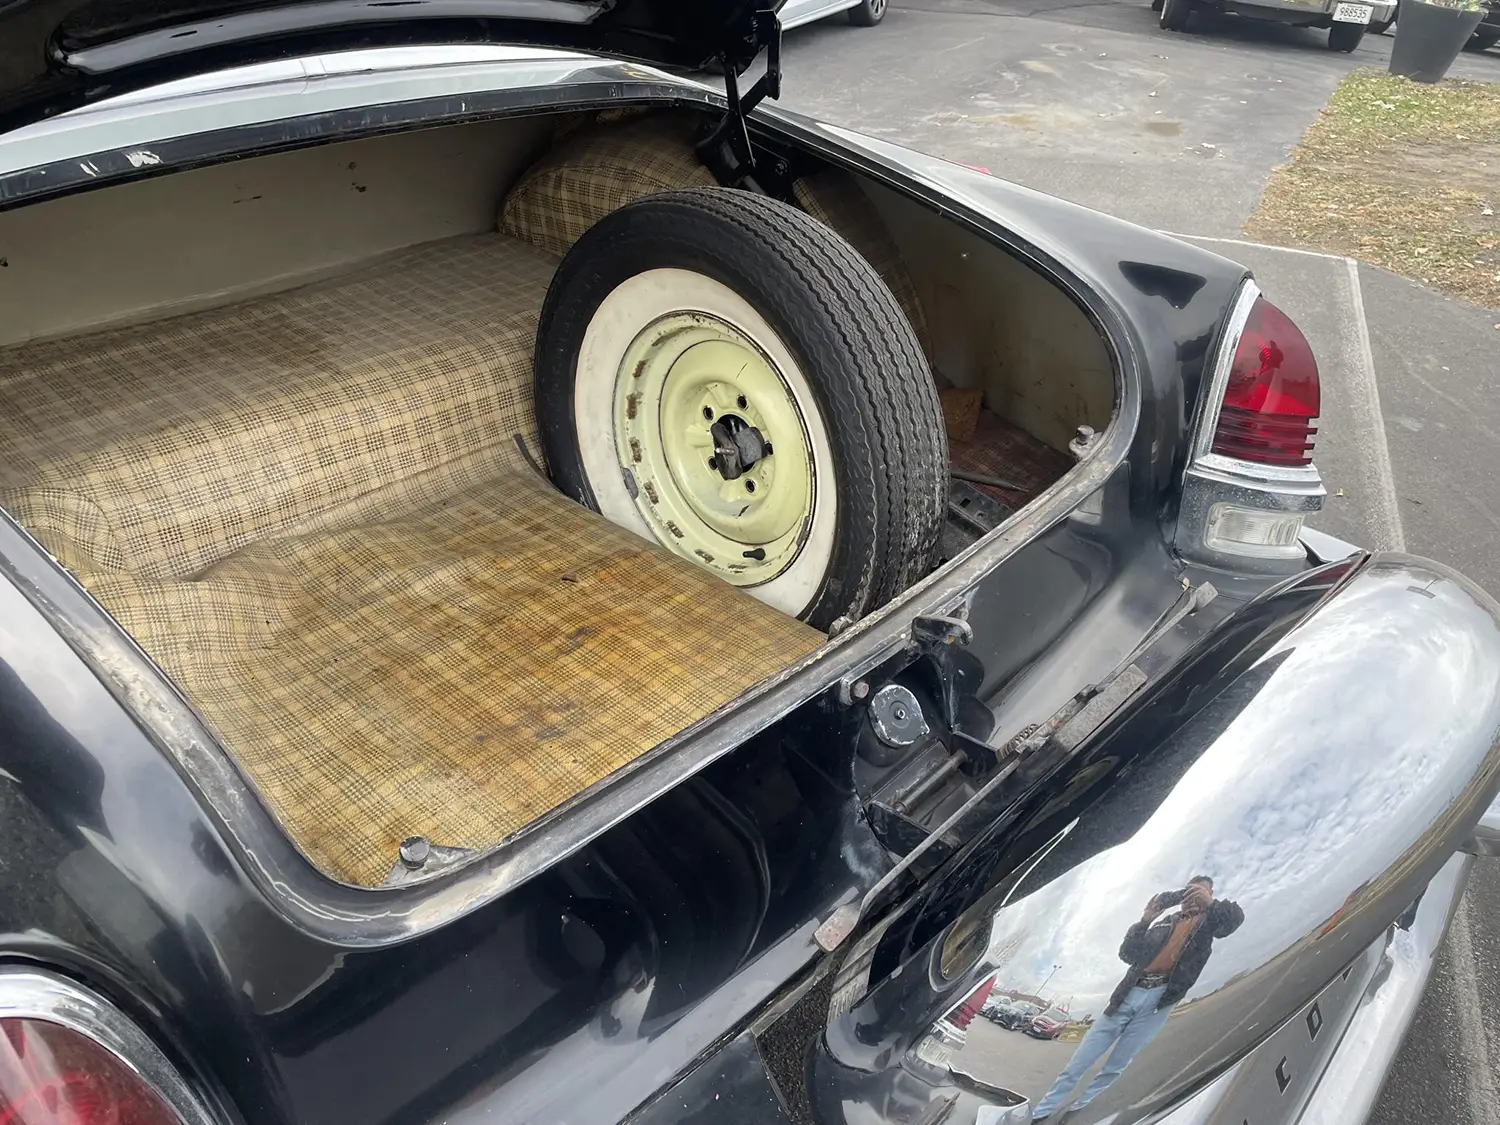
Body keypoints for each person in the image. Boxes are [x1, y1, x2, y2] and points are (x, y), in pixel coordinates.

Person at [1032, 875, 1244, 1121]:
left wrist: (1210, 903)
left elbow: (1234, 920)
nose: (1192, 898)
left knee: (1115, 1066)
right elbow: (1128, 954)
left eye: (1199, 893)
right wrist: (1145, 920)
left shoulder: (1210, 924)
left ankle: (1077, 1110)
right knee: (1080, 1060)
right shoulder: (1165, 922)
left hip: (1159, 1001)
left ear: (1209, 895)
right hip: (1128, 994)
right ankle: (1042, 1113)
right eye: (1189, 892)